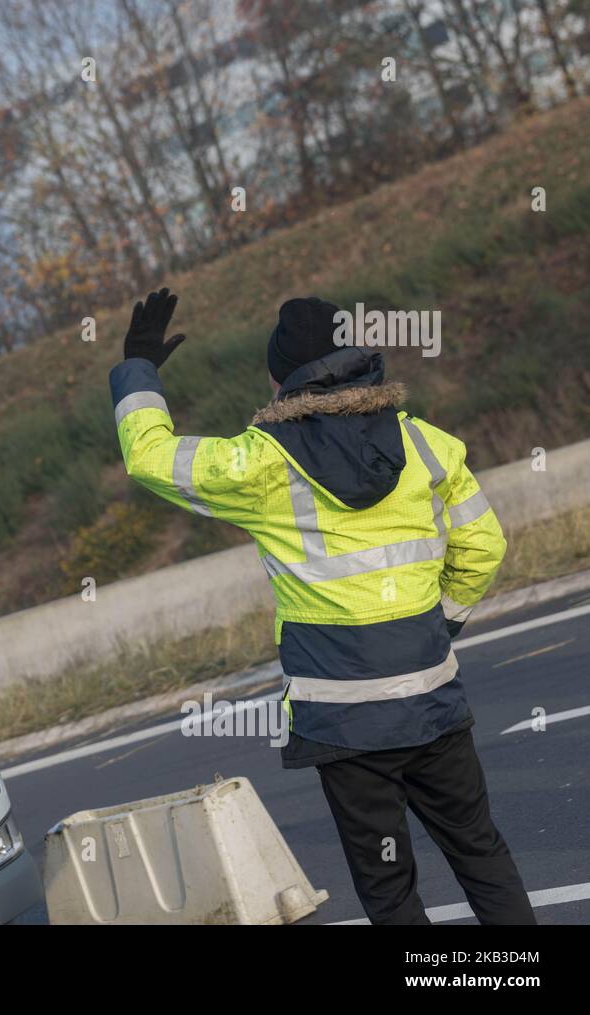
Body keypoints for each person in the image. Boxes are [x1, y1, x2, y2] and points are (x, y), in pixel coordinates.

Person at [110, 289, 536, 926]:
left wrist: (138, 370)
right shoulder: (426, 445)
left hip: (344, 725)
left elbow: (150, 458)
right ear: (358, 360)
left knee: (390, 889)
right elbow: (484, 544)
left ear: (279, 380)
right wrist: (440, 621)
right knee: (480, 851)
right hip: (431, 699)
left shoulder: (261, 464)